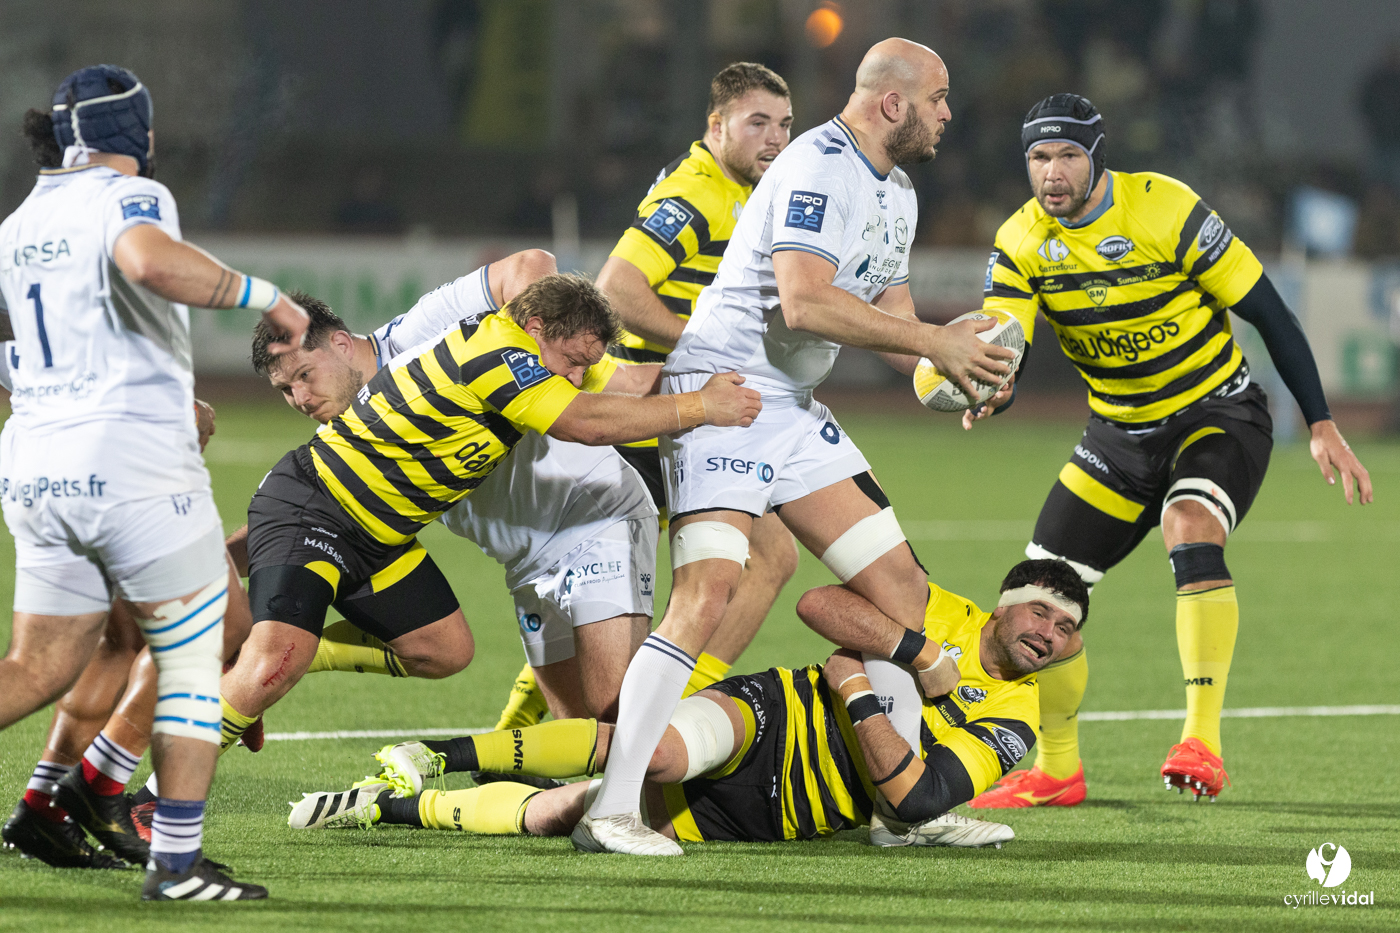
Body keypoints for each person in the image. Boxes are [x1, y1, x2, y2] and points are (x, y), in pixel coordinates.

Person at [572, 37, 1016, 857]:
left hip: (792, 408)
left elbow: (894, 321)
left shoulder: (899, 191)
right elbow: (806, 304)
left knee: (901, 590)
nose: (949, 113)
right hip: (726, 395)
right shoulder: (817, 166)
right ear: (893, 103)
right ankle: (613, 809)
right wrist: (935, 341)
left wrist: (959, 371)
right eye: (938, 98)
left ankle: (898, 811)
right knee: (706, 592)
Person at [967, 93, 1372, 807]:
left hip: (1218, 415)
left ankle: (1201, 741)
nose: (1052, 173)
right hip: (1117, 437)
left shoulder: (1166, 210)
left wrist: (1320, 421)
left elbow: (1269, 312)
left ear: (1098, 157)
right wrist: (996, 387)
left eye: (1068, 155)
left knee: (1188, 525)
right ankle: (1057, 771)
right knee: (1033, 596)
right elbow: (1010, 340)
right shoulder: (1021, 240)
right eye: (1039, 157)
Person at [214, 274, 761, 758]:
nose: (299, 398)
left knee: (447, 652)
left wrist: (734, 379)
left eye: (303, 376)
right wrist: (701, 407)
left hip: (388, 538)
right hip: (327, 512)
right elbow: (584, 423)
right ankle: (167, 779)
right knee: (276, 660)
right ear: (535, 327)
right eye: (286, 388)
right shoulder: (494, 352)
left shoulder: (518, 351)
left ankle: (274, 655)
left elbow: (625, 376)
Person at [0, 65, 309, 900]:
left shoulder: (21, 220)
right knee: (203, 643)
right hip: (126, 465)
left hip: (35, 461)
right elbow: (146, 261)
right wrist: (263, 295)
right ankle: (174, 862)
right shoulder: (128, 195)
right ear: (136, 132)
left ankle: (60, 799)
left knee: (36, 664)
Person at [290, 560, 1086, 850]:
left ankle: (386, 807)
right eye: (1040, 612)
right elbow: (820, 604)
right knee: (654, 750)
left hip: (780, 812)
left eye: (1065, 629)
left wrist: (855, 685)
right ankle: (437, 754)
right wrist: (915, 650)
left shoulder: (1017, 717)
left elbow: (916, 799)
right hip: (774, 713)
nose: (1047, 634)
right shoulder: (935, 605)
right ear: (1004, 604)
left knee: (567, 812)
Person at [598, 63, 799, 694]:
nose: (776, 138)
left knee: (617, 593)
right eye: (758, 123)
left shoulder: (737, 187)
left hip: (683, 409)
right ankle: (675, 707)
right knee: (754, 562)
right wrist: (702, 347)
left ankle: (671, 704)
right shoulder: (697, 194)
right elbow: (616, 288)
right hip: (654, 412)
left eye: (785, 124)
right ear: (717, 127)